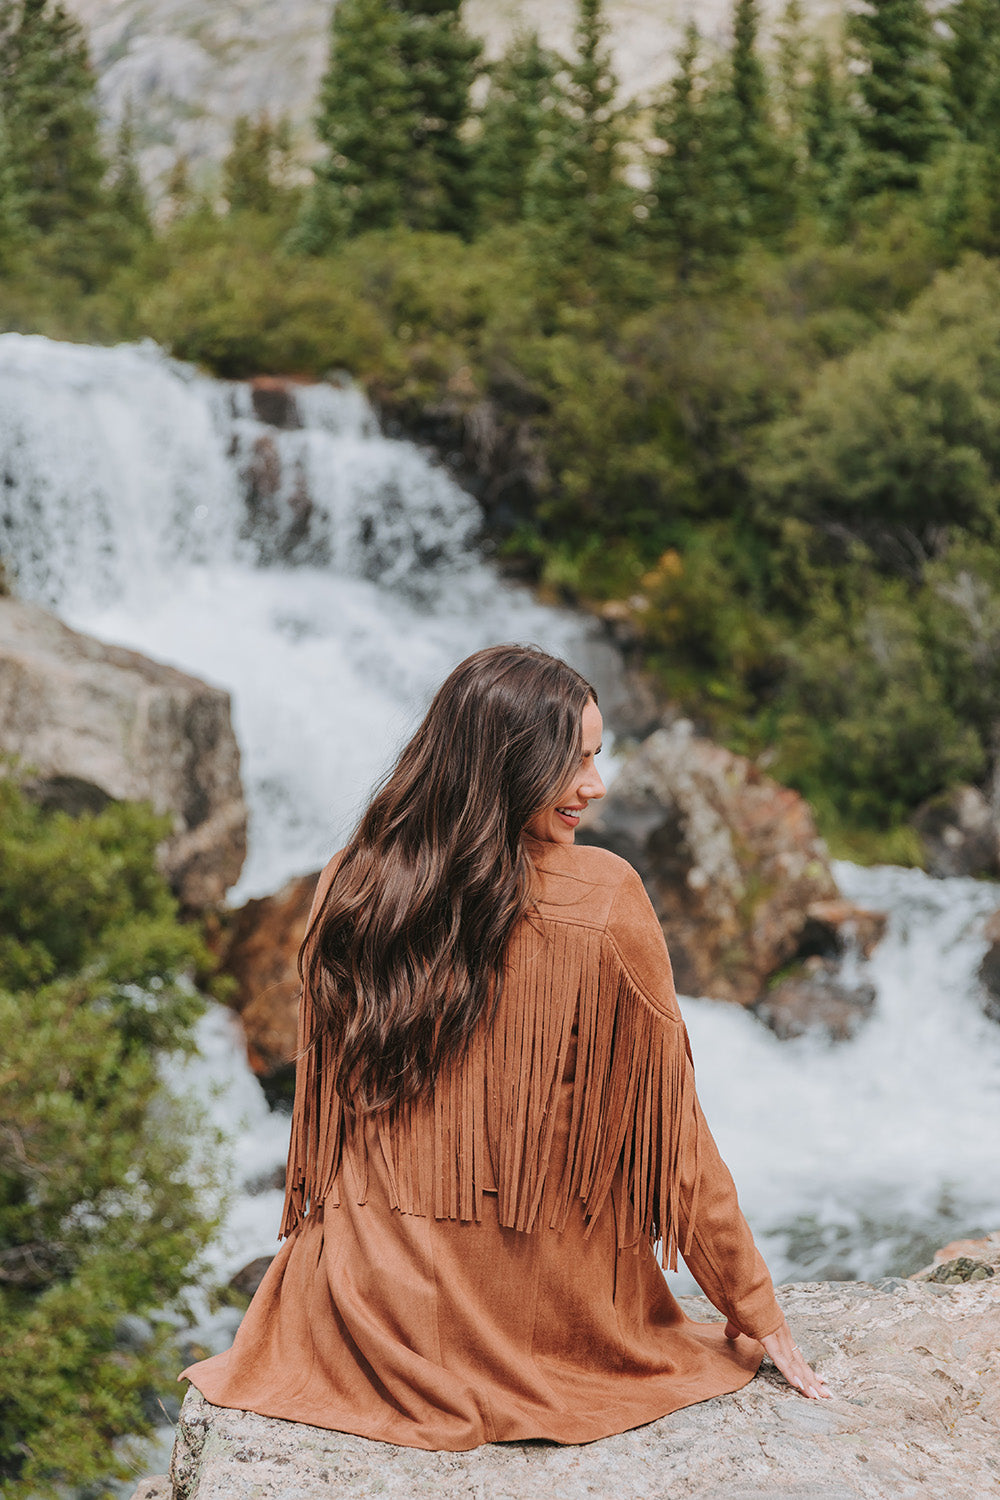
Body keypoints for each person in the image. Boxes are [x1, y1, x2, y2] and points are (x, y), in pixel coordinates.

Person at [182, 643, 829, 1448]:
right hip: (534, 1317)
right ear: (507, 763)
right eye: (575, 762)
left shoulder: (350, 882)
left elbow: (332, 1116)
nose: (597, 785)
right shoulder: (604, 895)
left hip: (362, 1312)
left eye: (599, 756)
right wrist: (755, 1309)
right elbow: (673, 1141)